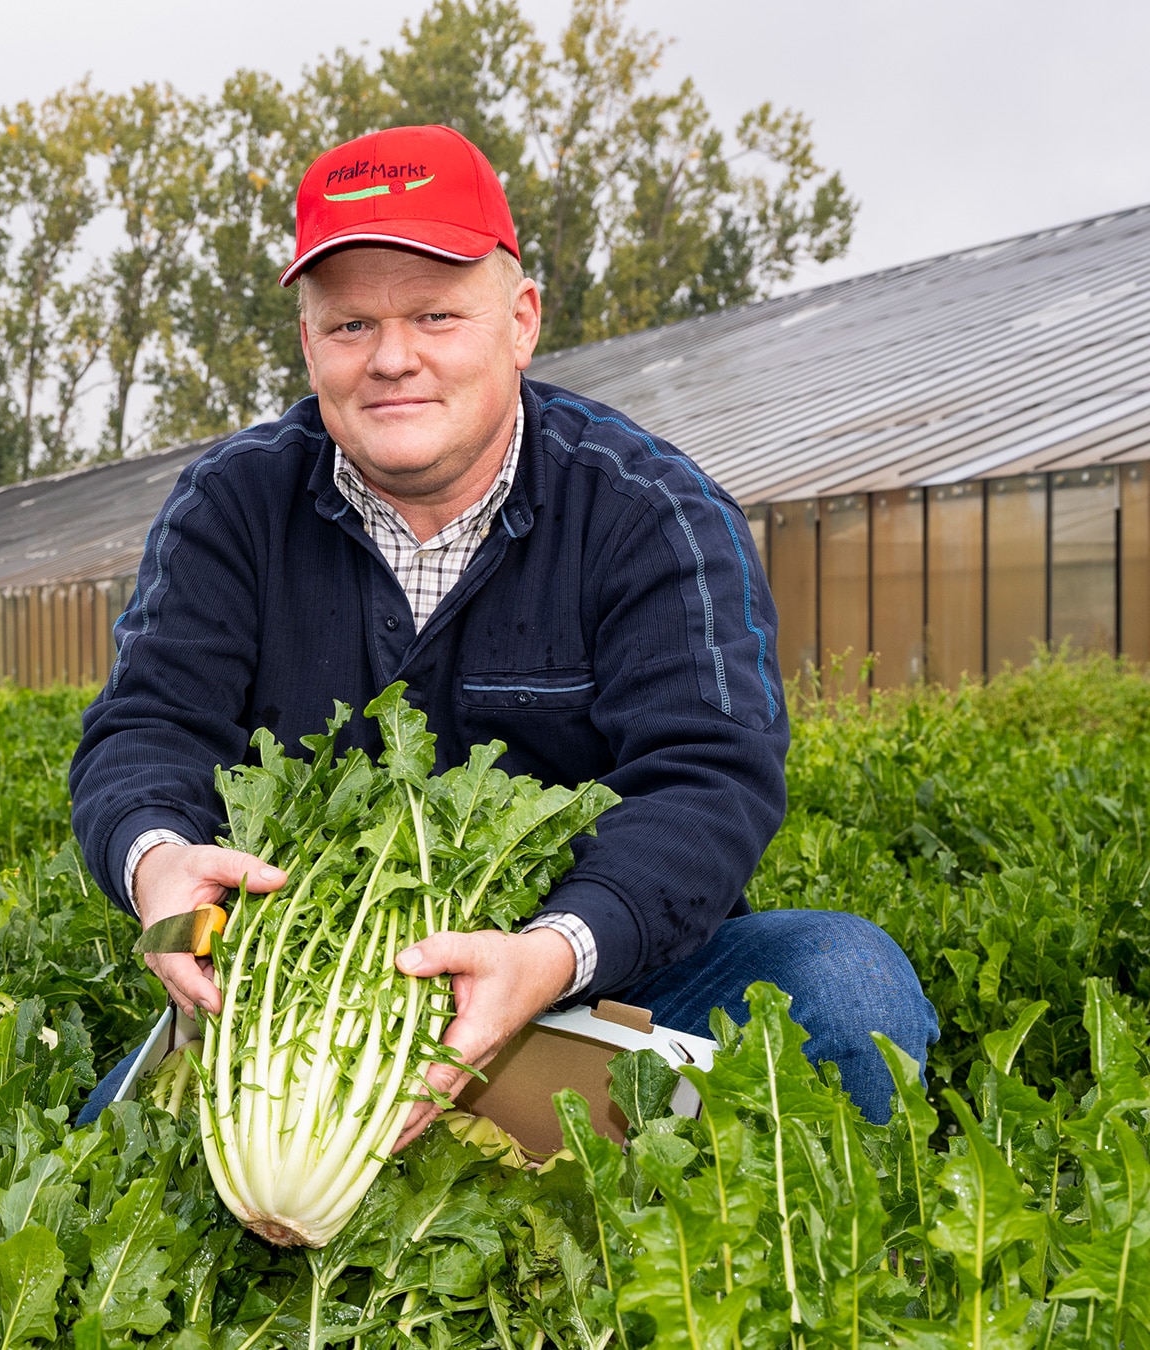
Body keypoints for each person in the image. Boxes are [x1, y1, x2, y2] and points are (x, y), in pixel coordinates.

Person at [69, 123, 934, 1136]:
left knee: (844, 982)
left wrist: (553, 950)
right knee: (97, 1169)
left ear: (519, 321)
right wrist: (157, 861)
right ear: (309, 343)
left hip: (598, 978)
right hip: (311, 994)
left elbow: (708, 777)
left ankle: (770, 1253)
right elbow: (148, 728)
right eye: (350, 326)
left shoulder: (649, 511)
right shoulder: (234, 506)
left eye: (437, 314)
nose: (393, 359)